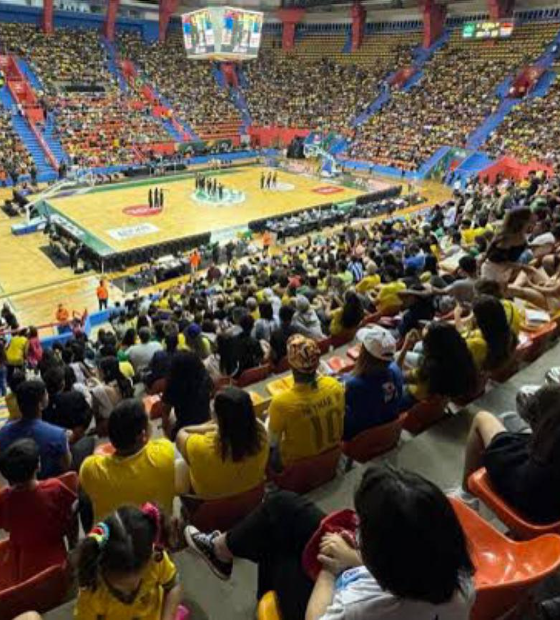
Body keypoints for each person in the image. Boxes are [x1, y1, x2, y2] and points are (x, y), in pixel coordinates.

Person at [186, 464, 474, 620]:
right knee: (283, 506)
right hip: (379, 578)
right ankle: (221, 550)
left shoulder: (359, 608)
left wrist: (329, 570)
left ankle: (246, 577)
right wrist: (356, 558)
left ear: (386, 555)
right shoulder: (459, 578)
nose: (358, 528)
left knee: (282, 544)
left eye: (365, 528)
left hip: (328, 600)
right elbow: (404, 580)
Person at [457, 384, 560, 523]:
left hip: (531, 492)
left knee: (483, 418)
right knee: (509, 418)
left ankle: (466, 496)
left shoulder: (529, 477)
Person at [74, 504, 182, 620]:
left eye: (140, 579)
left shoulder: (156, 558)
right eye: (121, 587)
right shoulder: (92, 589)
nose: (132, 591)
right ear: (102, 569)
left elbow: (173, 586)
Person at [79, 399, 178, 523]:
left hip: (116, 540)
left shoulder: (90, 468)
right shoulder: (165, 451)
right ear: (142, 435)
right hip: (160, 535)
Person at [0, 439, 77, 581]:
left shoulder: (3, 498)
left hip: (24, 565)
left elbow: (6, 525)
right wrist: (73, 546)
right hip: (57, 561)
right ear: (38, 466)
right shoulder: (54, 488)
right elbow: (71, 520)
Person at [176, 387, 269, 498]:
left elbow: (181, 433)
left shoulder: (198, 446)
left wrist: (214, 425)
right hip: (250, 499)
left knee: (179, 463)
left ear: (217, 418)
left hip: (212, 506)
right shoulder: (262, 435)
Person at [268, 335, 344, 469]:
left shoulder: (280, 403)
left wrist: (269, 418)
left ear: (291, 364)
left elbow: (272, 442)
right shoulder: (335, 386)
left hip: (298, 468)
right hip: (332, 459)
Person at [0, 379, 71, 480]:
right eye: (45, 394)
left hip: (16, 484)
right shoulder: (57, 434)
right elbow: (66, 465)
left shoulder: (3, 432)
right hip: (48, 484)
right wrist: (66, 441)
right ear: (40, 404)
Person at [343, 326, 403, 441]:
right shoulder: (396, 370)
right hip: (387, 431)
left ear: (364, 354)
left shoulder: (353, 384)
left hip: (361, 436)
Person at [398, 322, 479, 407]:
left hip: (412, 398)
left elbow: (397, 375)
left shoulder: (428, 371)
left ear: (431, 347)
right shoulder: (464, 358)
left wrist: (406, 345)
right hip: (442, 393)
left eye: (425, 340)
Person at [457, 295, 517, 372]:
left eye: (474, 315)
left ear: (480, 320)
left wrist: (457, 315)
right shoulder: (509, 333)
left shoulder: (476, 343)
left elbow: (462, 334)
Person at [161, 351, 212, 440]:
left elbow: (165, 412)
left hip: (185, 430)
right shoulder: (206, 379)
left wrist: (165, 429)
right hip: (207, 422)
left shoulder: (173, 387)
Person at [481, 207, 532, 283]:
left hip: (504, 271)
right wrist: (522, 266)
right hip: (493, 271)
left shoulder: (520, 234)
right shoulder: (506, 239)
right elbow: (498, 260)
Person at [91, 356, 134, 436]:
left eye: (99, 370)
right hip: (130, 419)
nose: (97, 371)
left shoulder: (98, 390)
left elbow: (95, 412)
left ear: (107, 372)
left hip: (112, 427)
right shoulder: (128, 381)